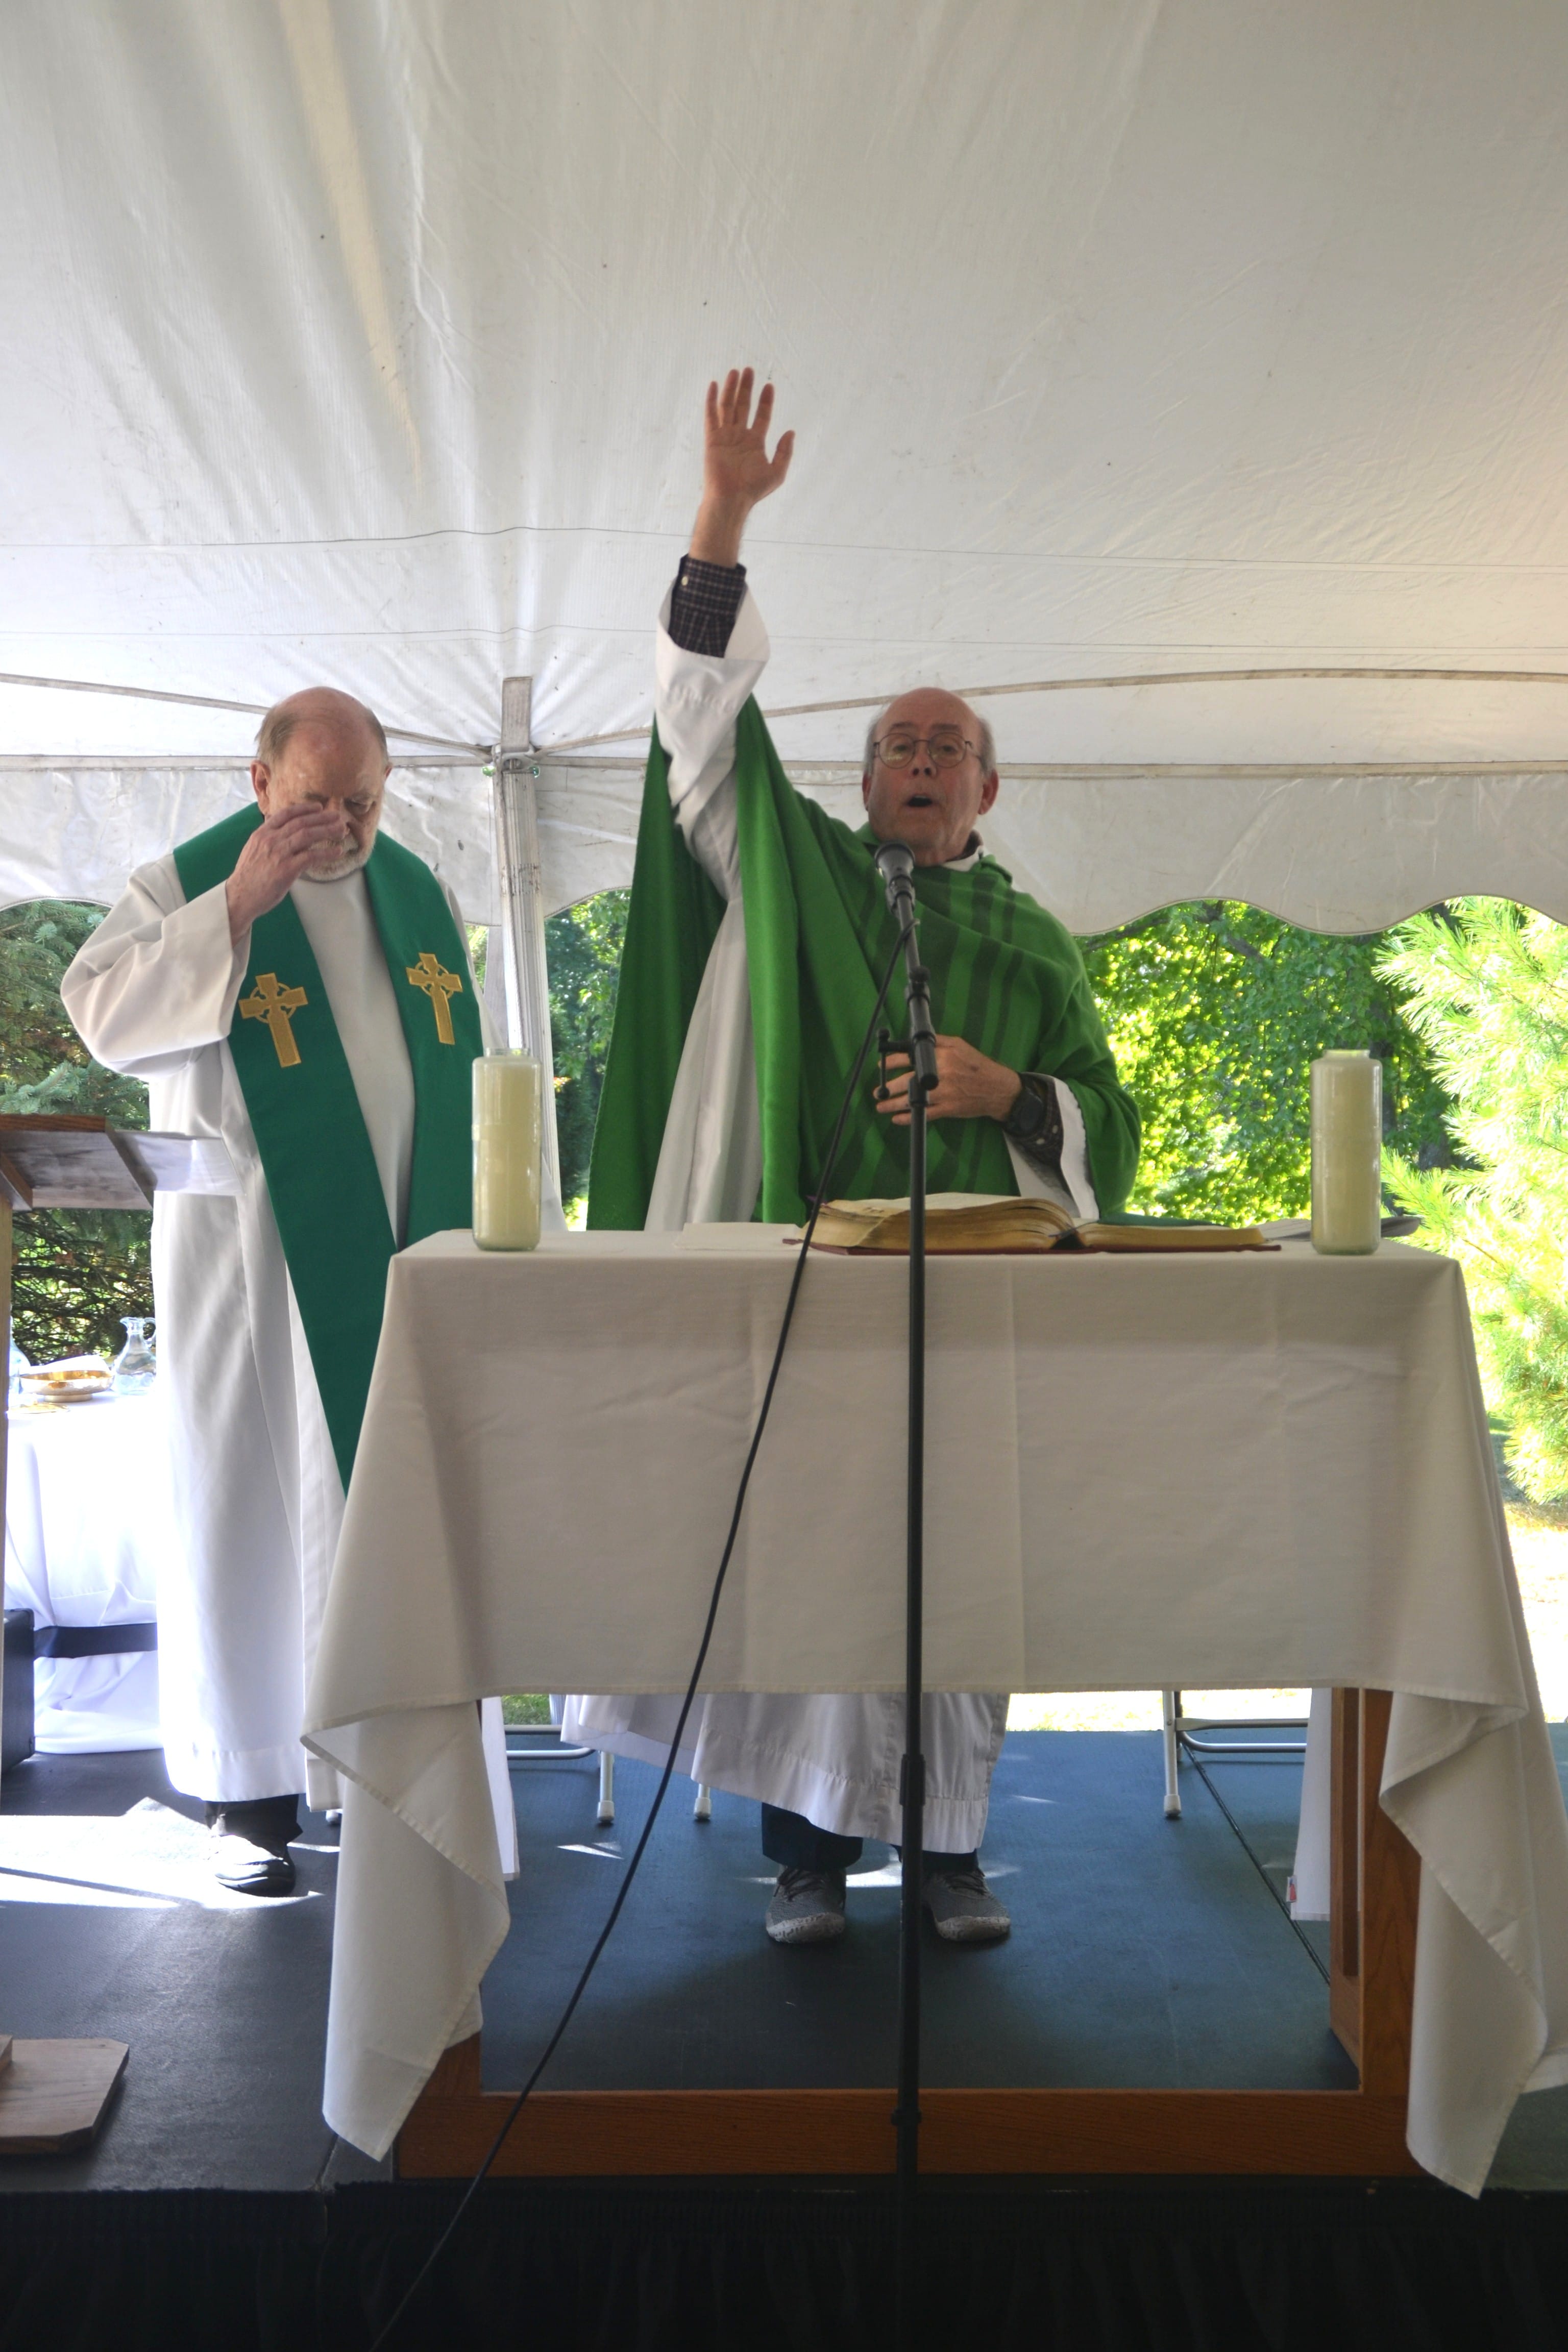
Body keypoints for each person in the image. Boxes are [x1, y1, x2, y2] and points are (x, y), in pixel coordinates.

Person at [568, 372, 1140, 1947]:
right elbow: (696, 733)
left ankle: (949, 1852)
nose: (917, 758)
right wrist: (721, 522)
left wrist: (1007, 1084)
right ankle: (810, 1855)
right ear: (866, 774)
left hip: (977, 1299)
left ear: (987, 788)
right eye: (894, 740)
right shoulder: (801, 871)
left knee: (956, 1576)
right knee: (814, 1556)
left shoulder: (1033, 942)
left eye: (947, 744)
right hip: (816, 1273)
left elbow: (1109, 1121)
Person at [62, 691, 500, 1893]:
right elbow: (99, 1016)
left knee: (389, 1514)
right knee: (246, 1512)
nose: (344, 828)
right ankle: (247, 1791)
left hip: (405, 1256)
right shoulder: (187, 882)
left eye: (364, 801)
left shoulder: (418, 892)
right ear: (260, 783)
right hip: (248, 1267)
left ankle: (384, 1772)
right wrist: (239, 906)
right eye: (316, 803)